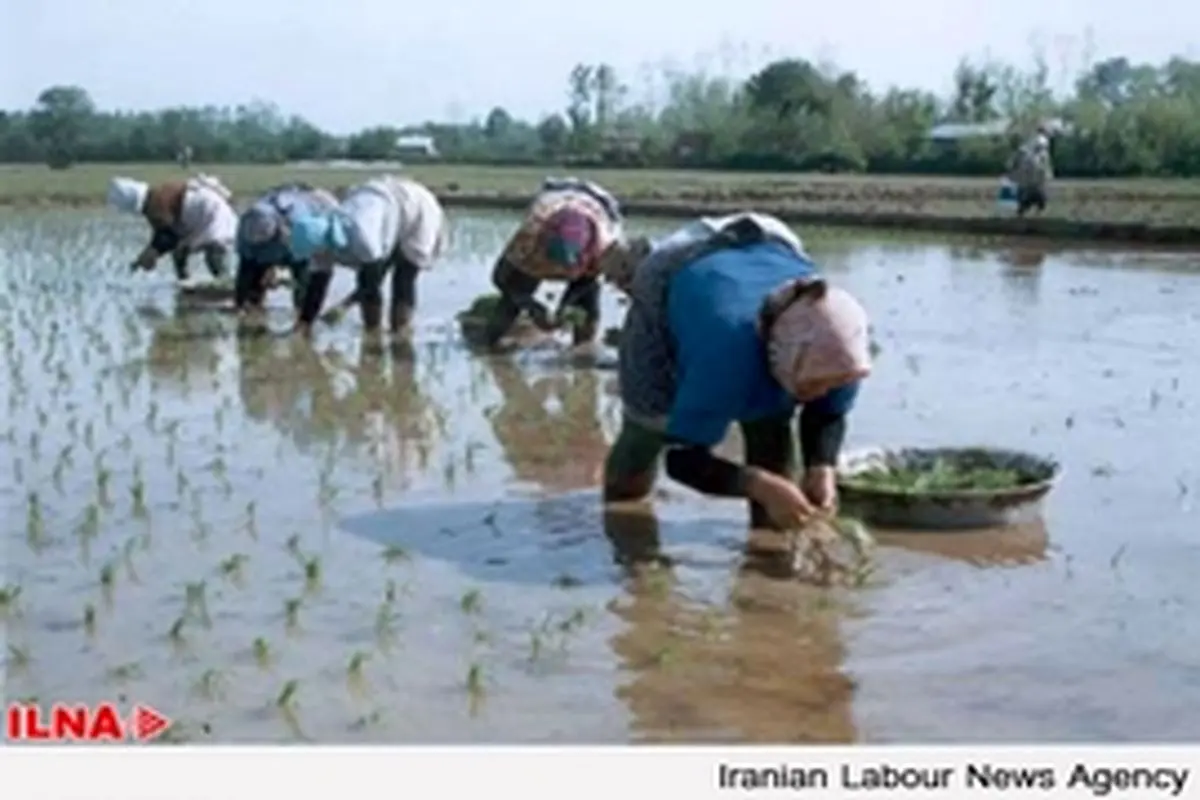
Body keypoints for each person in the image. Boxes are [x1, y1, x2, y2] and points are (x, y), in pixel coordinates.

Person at [600, 212, 872, 534]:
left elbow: (827, 415)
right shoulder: (723, 358)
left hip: (771, 241)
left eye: (832, 384)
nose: (823, 392)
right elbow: (683, 460)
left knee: (771, 421)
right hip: (676, 267)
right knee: (650, 422)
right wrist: (757, 484)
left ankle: (771, 539)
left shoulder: (836, 349)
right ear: (777, 354)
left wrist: (821, 466)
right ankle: (623, 513)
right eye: (814, 384)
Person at [285, 174, 449, 336]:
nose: (314, 258)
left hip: (415, 207)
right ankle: (373, 330)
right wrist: (304, 323)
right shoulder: (320, 240)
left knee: (403, 277)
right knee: (371, 283)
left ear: (321, 246)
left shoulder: (362, 236)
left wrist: (344, 306)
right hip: (383, 208)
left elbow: (372, 281)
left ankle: (399, 333)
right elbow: (318, 285)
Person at [482, 177, 628, 349]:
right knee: (515, 293)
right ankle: (491, 347)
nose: (562, 272)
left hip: (598, 203)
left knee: (586, 303)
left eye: (570, 267)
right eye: (557, 265)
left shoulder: (604, 245)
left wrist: (565, 307)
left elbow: (589, 281)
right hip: (556, 198)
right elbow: (499, 277)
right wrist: (529, 304)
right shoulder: (530, 236)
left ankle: (583, 350)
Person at [107, 174, 238, 281]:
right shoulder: (156, 198)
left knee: (214, 256)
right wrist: (148, 254)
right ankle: (185, 282)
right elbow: (162, 234)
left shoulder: (156, 203)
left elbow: (169, 238)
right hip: (203, 216)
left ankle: (226, 285)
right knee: (179, 252)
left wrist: (152, 254)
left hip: (213, 216)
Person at [233, 183, 340, 314]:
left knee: (303, 281)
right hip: (264, 251)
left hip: (295, 247)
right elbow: (245, 267)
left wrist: (280, 274)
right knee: (249, 286)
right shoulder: (247, 225)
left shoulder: (298, 221)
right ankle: (251, 313)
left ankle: (302, 316)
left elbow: (308, 256)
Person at [1006, 127, 1053, 217]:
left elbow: (1021, 152)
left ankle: (1024, 209)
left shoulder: (1032, 142)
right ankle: (1032, 209)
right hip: (1033, 171)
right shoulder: (1042, 140)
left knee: (1028, 191)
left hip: (1027, 172)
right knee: (1035, 191)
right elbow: (1041, 157)